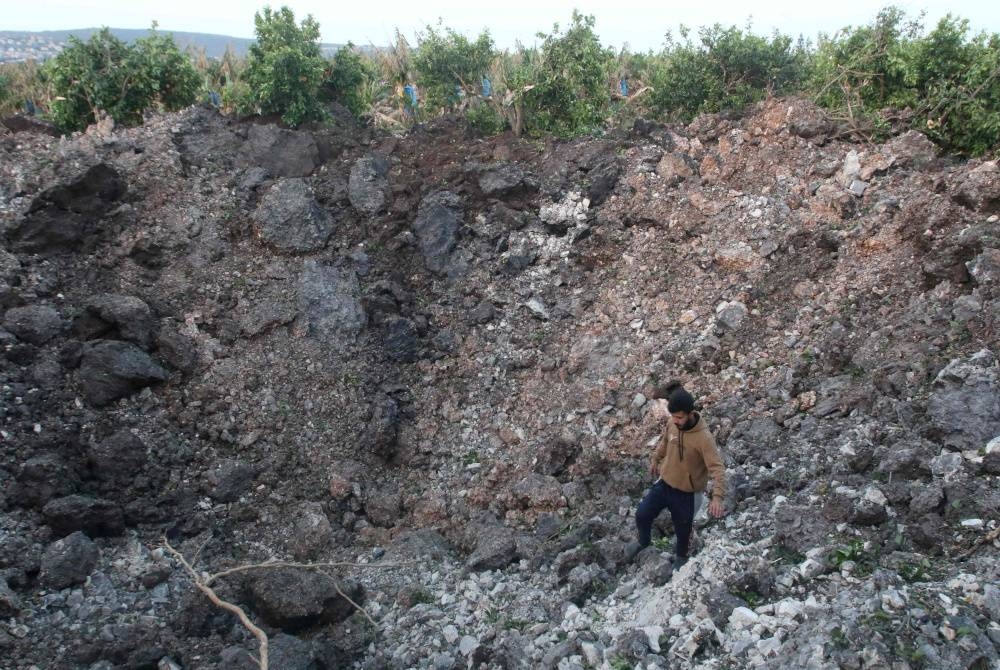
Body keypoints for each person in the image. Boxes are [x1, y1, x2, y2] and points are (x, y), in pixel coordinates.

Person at [626, 381, 726, 568]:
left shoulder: (703, 438)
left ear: (689, 414)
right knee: (642, 514)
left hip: (686, 494)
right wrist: (656, 459)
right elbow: (665, 442)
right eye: (673, 417)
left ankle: (681, 559)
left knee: (683, 530)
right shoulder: (673, 425)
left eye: (679, 418)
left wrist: (717, 497)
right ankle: (644, 542)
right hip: (665, 483)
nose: (675, 421)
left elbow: (717, 468)